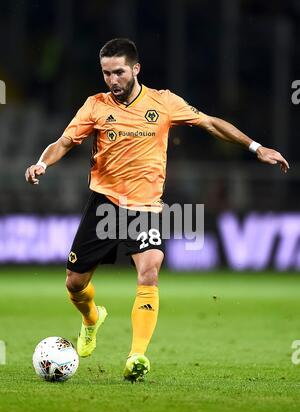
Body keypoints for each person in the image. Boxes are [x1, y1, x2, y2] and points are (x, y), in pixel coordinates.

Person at [25, 38, 289, 382]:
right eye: (106, 73)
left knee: (149, 270)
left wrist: (255, 147)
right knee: (75, 285)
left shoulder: (163, 102)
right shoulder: (95, 106)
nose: (112, 80)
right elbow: (63, 142)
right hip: (104, 203)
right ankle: (92, 319)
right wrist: (43, 163)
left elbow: (209, 123)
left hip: (146, 206)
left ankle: (137, 356)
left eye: (118, 72)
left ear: (135, 69)